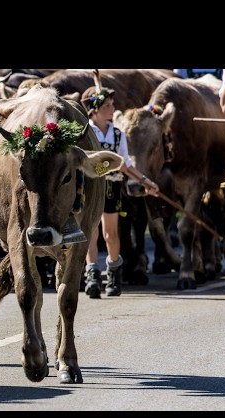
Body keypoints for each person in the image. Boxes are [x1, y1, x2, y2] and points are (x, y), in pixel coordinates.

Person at [80, 86, 160, 298]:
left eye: (112, 104)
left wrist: (145, 181)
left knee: (110, 233)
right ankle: (93, 275)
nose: (112, 108)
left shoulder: (117, 134)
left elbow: (124, 164)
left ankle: (113, 273)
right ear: (94, 110)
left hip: (111, 187)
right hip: (89, 186)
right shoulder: (84, 132)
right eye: (107, 105)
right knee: (91, 231)